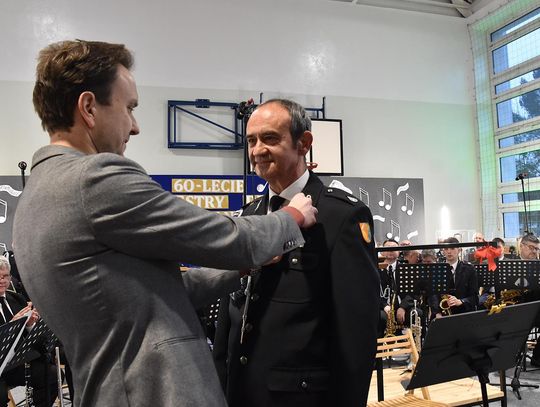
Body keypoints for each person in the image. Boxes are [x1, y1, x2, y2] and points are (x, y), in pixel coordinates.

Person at [12, 40, 318, 407]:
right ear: (89, 107)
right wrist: (291, 217)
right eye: (129, 108)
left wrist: (241, 269)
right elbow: (229, 237)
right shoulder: (93, 179)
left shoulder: (35, 196)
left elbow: (152, 295)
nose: (135, 127)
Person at [212, 99, 380, 407]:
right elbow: (230, 316)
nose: (257, 150)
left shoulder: (340, 216)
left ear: (304, 143)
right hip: (241, 393)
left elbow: (356, 333)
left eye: (269, 138)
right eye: (251, 140)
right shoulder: (249, 216)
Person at [0, 257, 57, 407]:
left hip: (16, 362)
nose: (2, 280)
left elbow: (30, 336)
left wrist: (30, 325)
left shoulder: (17, 298)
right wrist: (12, 325)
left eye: (5, 276)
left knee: (52, 375)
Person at [429, 237, 478, 318]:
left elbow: (475, 297)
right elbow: (432, 294)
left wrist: (461, 301)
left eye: (452, 248)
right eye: (446, 249)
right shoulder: (437, 269)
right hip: (441, 314)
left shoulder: (469, 269)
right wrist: (437, 312)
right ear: (443, 251)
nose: (449, 251)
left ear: (459, 250)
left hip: (463, 312)